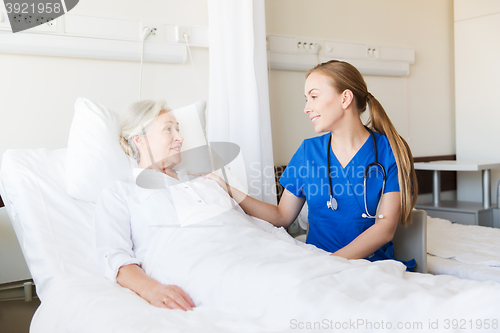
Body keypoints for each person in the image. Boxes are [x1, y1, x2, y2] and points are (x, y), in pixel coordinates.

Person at [204, 60, 418, 270]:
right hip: (317, 266)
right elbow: (282, 216)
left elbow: (384, 228)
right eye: (306, 99)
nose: (307, 108)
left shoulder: (390, 151)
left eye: (314, 97)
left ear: (345, 98)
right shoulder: (308, 152)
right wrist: (228, 189)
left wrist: (330, 264)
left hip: (371, 268)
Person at [95, 99, 200, 311]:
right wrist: (152, 289)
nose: (180, 137)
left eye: (178, 129)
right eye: (168, 129)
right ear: (140, 140)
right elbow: (114, 256)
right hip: (191, 268)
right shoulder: (120, 193)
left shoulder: (199, 181)